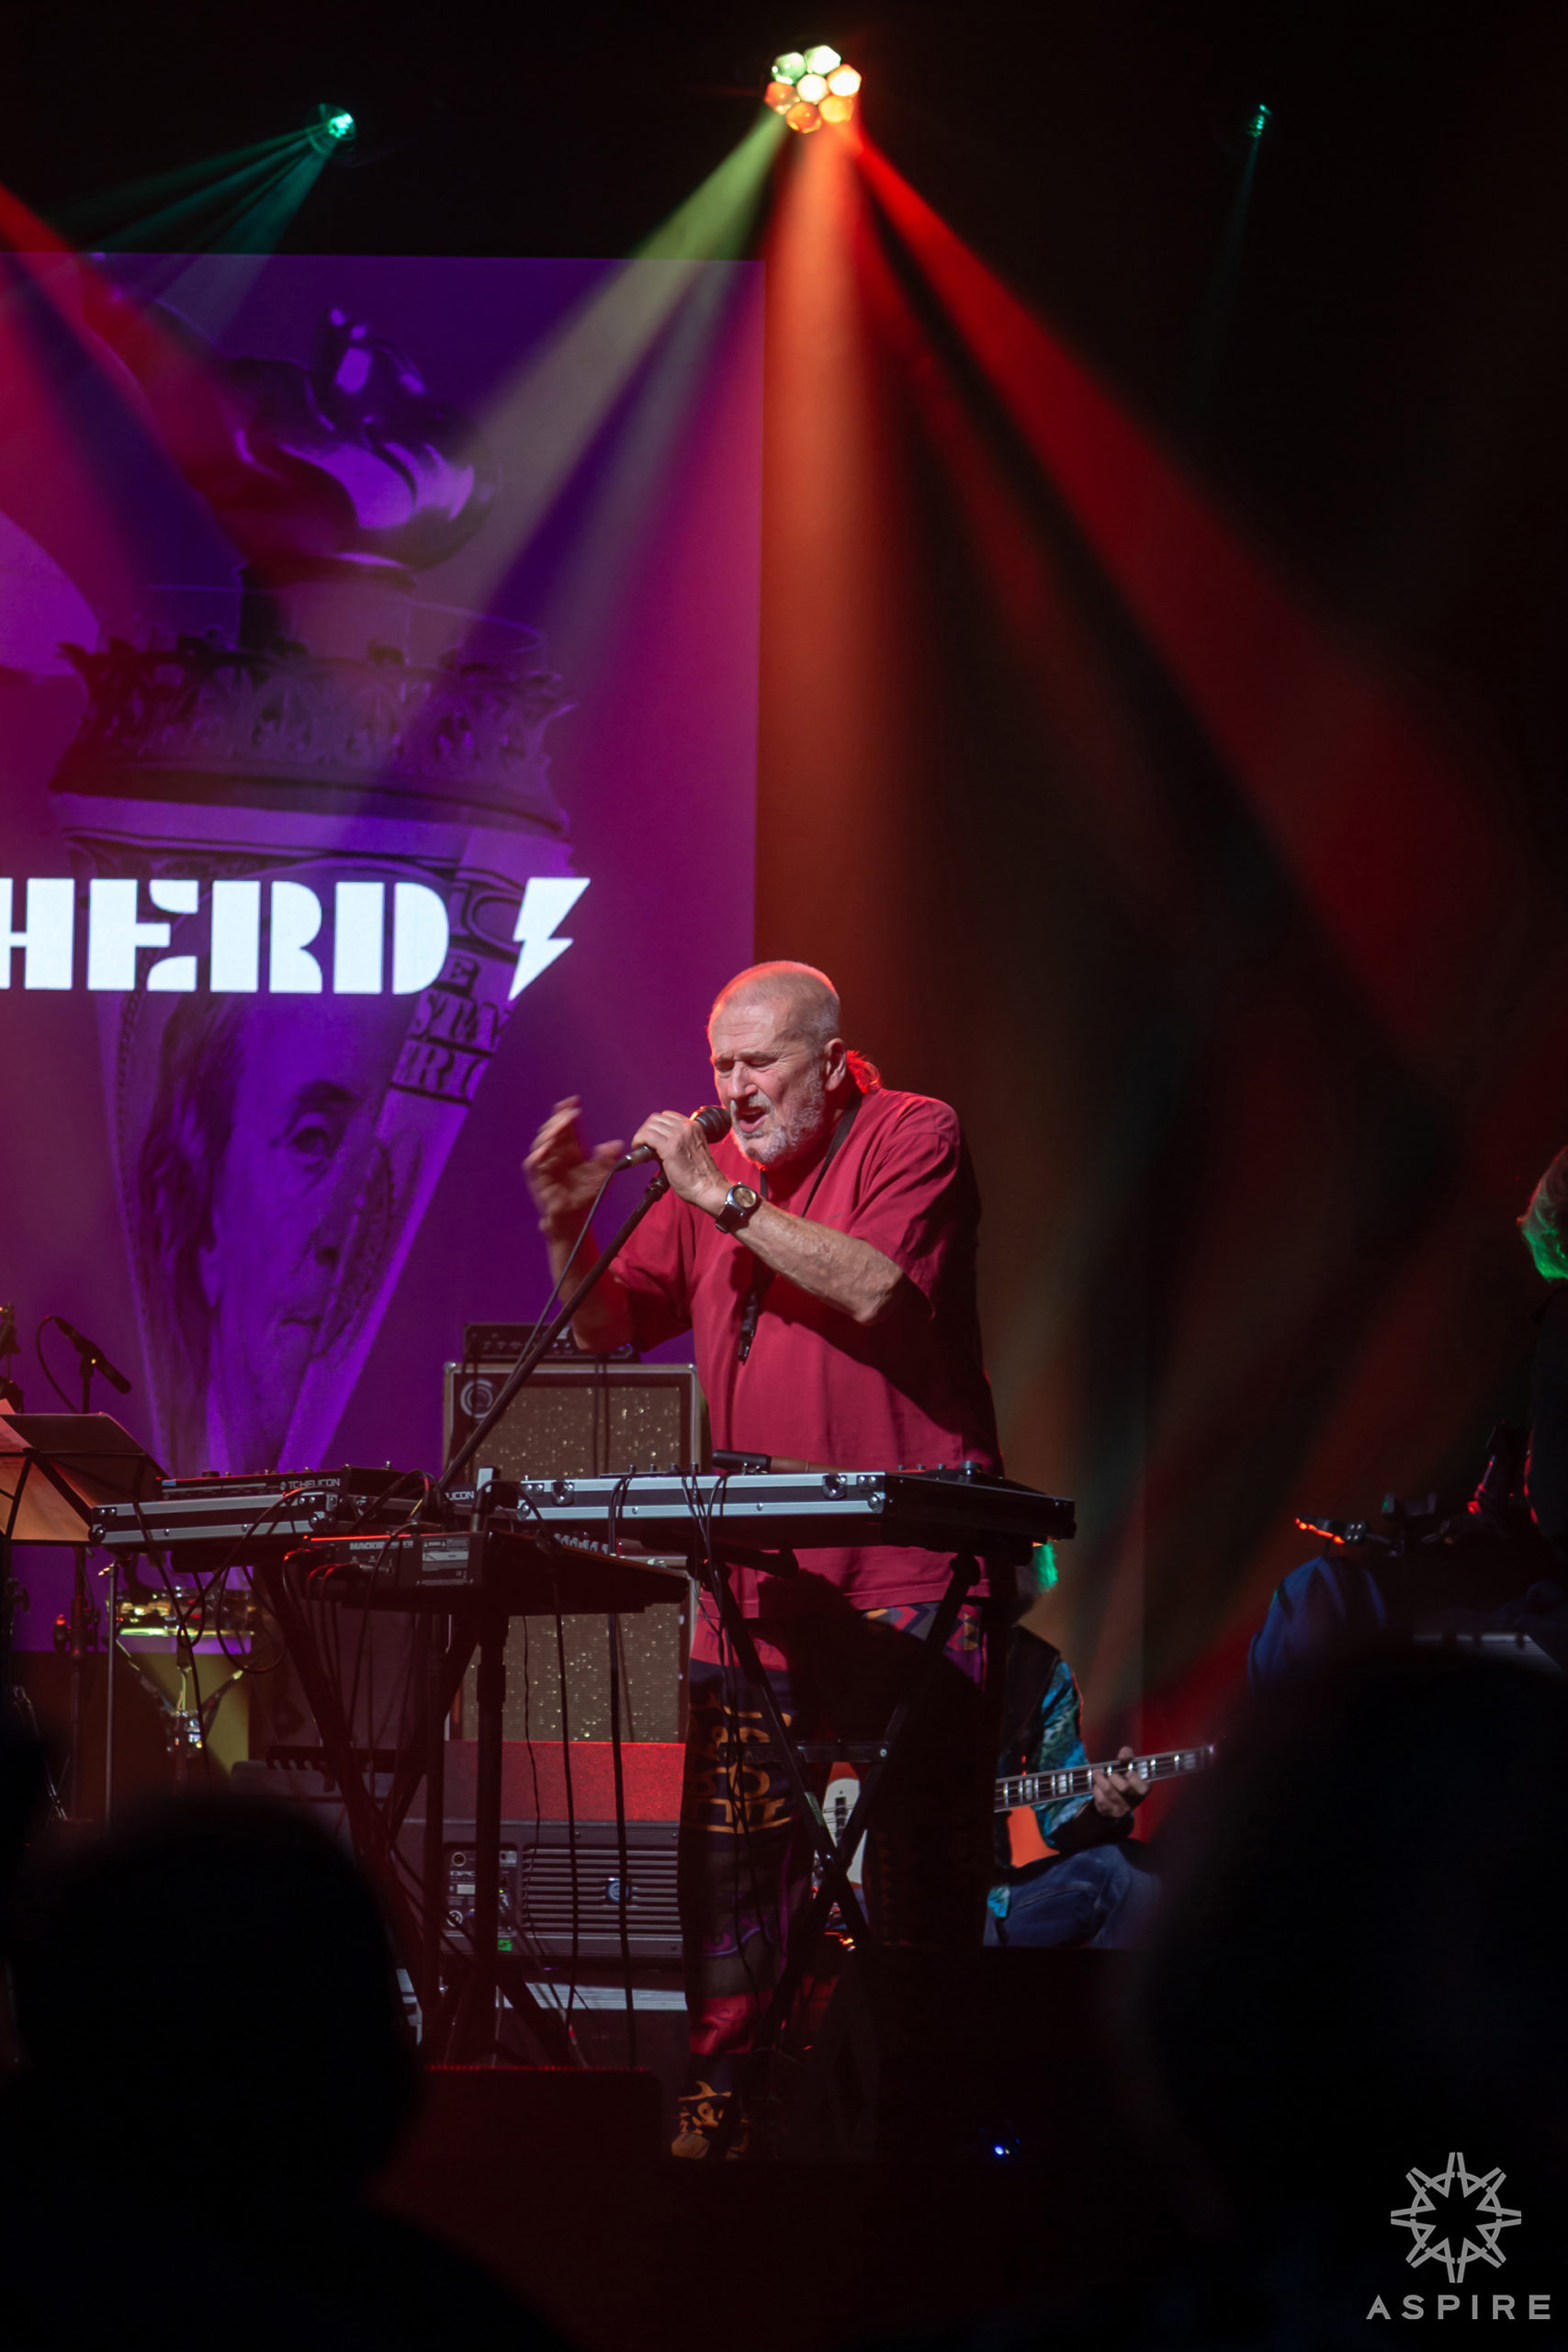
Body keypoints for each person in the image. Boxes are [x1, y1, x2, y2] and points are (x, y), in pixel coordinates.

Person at [525, 960, 1004, 2153]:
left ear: (829, 1063)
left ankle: (922, 2163)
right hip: (752, 1595)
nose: (735, 1089)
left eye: (760, 1063)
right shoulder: (714, 1172)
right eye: (720, 1065)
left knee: (915, 1904)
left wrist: (722, 1200)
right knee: (731, 1915)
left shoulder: (912, 1132)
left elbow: (877, 1286)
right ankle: (722, 2156)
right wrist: (564, 1222)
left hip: (904, 1587)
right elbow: (603, 1326)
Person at [987, 1621, 1159, 1950]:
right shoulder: (894, 1638)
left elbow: (1061, 1814)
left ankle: (1119, 1987)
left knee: (1132, 1872)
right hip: (889, 1892)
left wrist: (1100, 1812)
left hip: (991, 1897)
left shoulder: (1036, 1669)